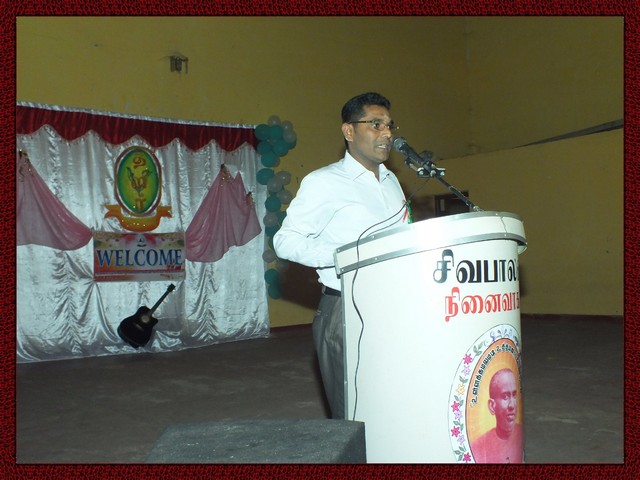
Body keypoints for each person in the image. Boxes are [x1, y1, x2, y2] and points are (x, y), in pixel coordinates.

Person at [273, 92, 409, 419]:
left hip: (395, 307)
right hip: (345, 309)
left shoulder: (392, 182)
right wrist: (345, 255)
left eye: (389, 126)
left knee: (391, 405)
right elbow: (285, 241)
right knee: (350, 412)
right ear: (349, 131)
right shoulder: (324, 182)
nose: (387, 133)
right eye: (375, 124)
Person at [470, 368, 524, 463]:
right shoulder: (477, 449)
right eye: (505, 397)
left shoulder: (520, 434)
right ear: (492, 406)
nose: (512, 405)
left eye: (514, 395)